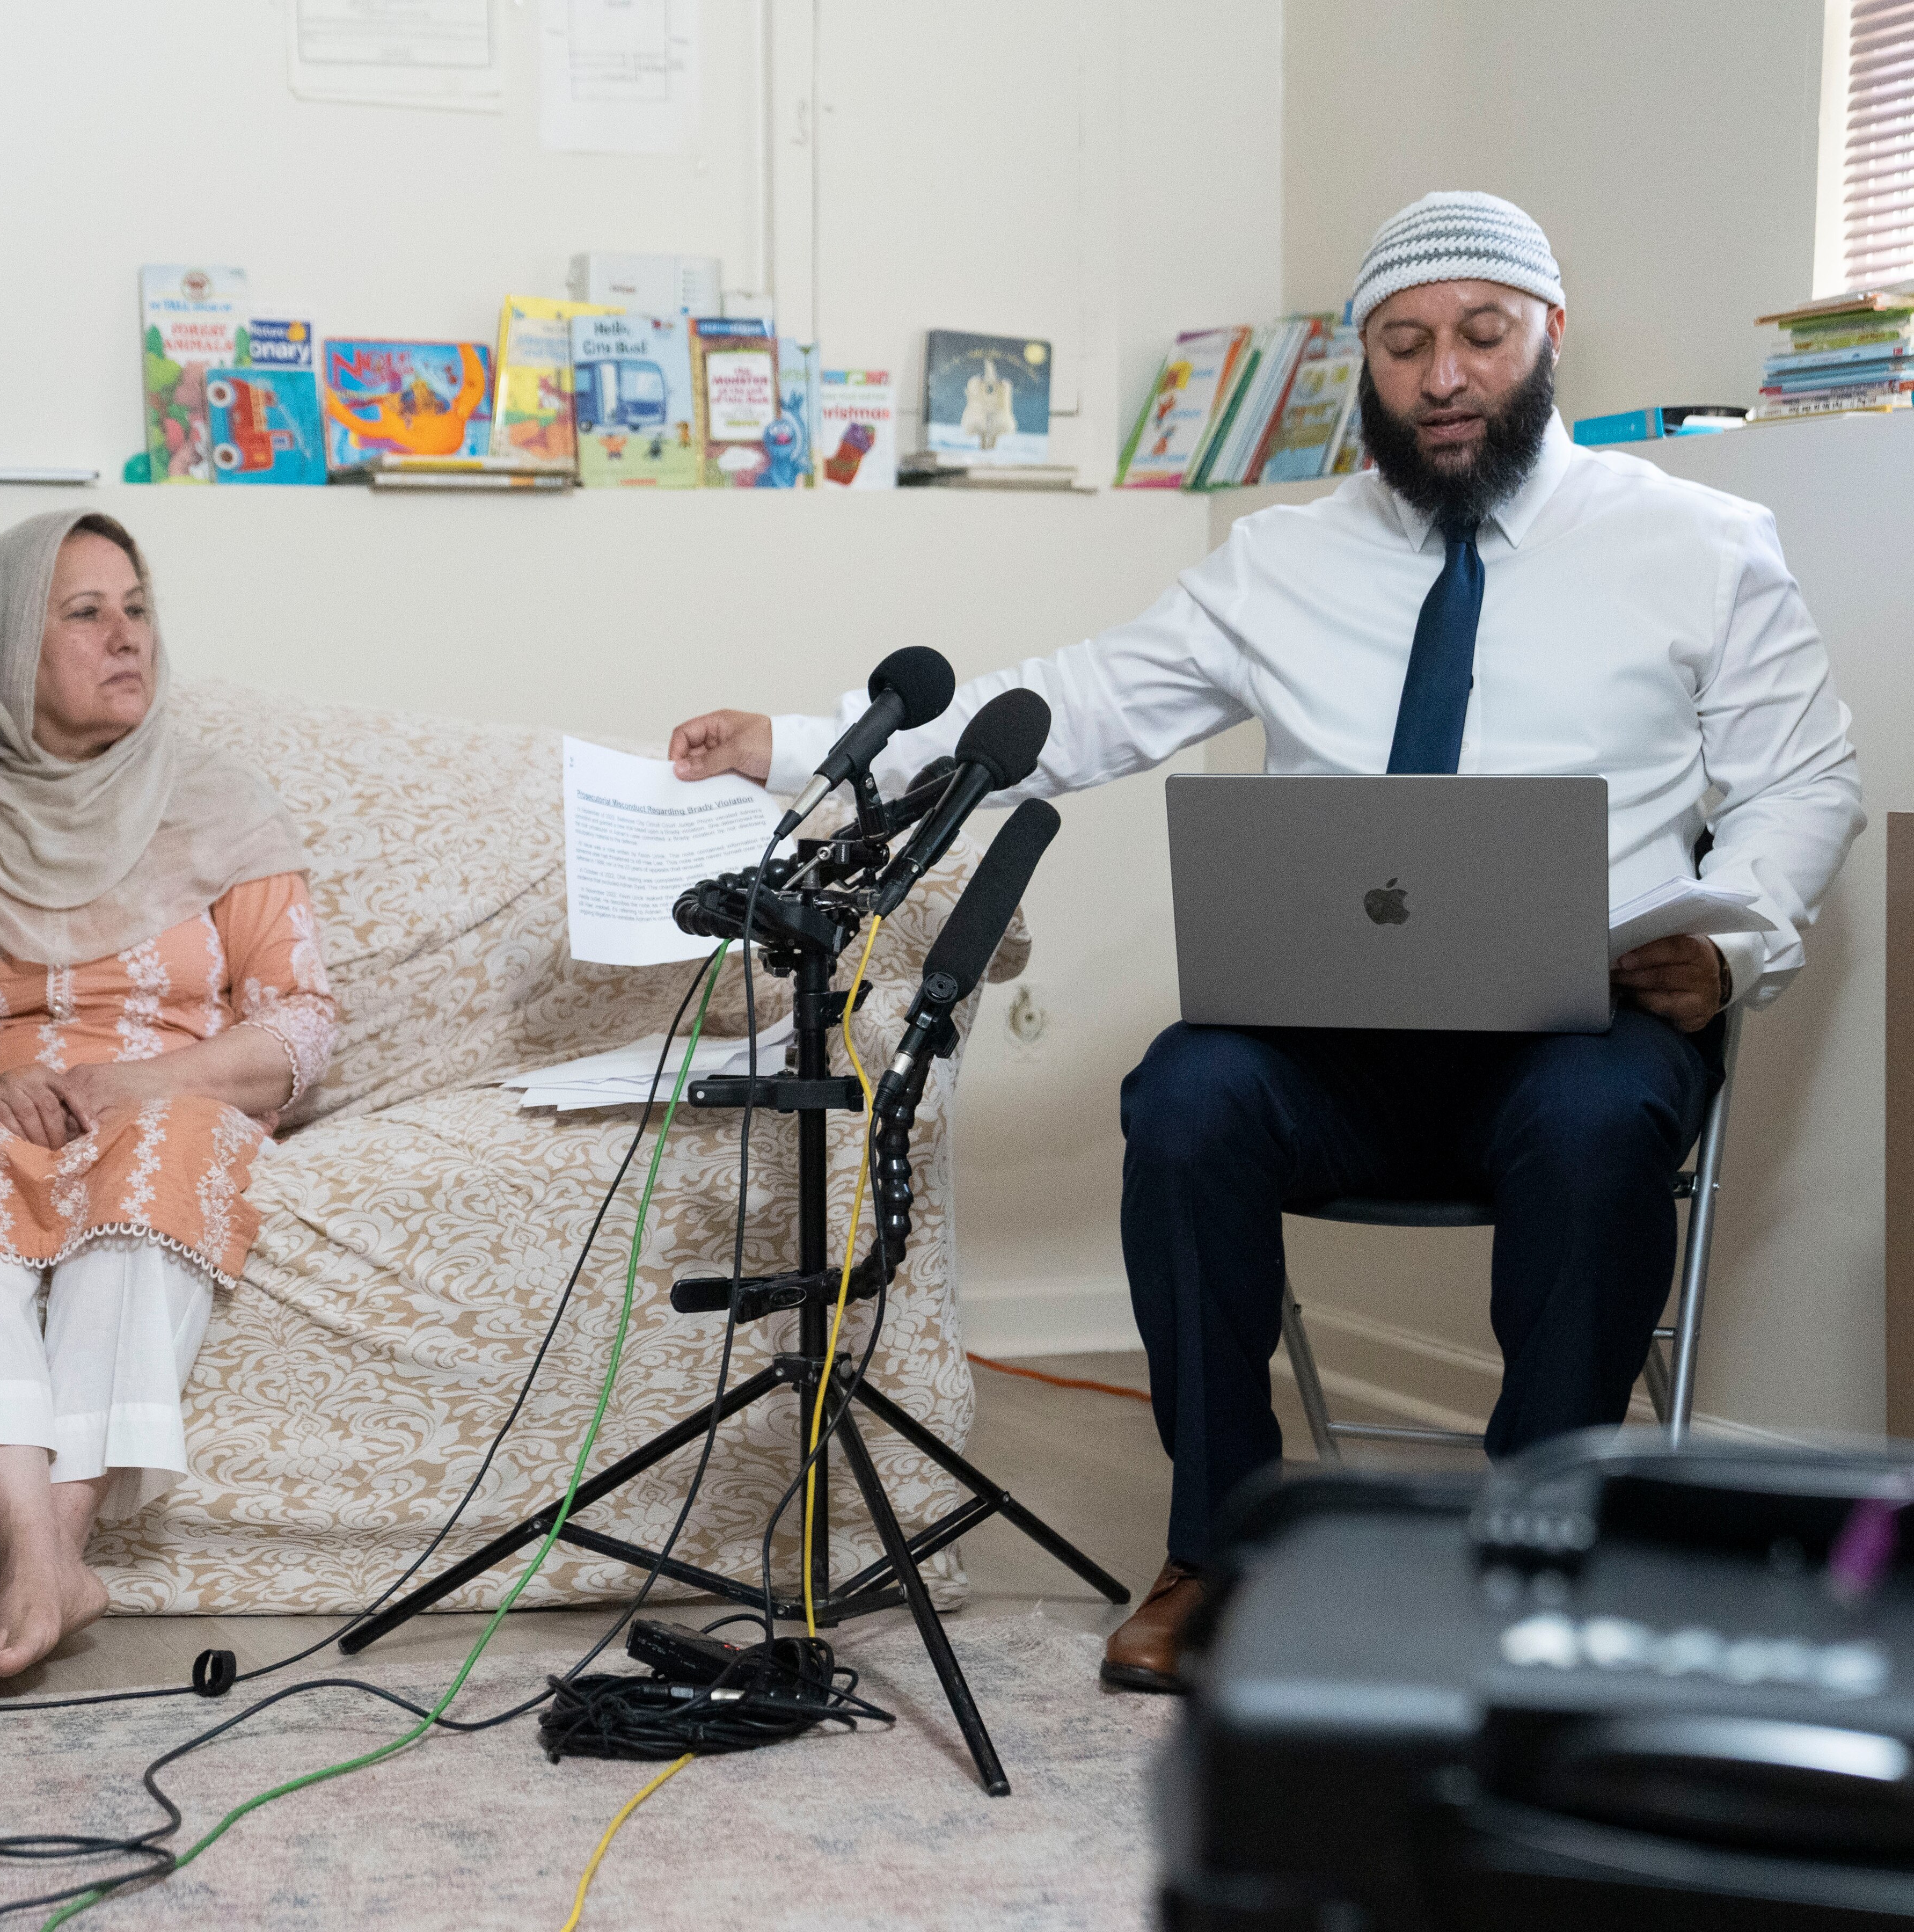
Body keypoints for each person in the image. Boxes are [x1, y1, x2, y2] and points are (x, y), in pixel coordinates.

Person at [666, 192, 1864, 1692]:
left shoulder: (1701, 542)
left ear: (1546, 339)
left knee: (1597, 1120)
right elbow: (1074, 710)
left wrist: (1734, 947)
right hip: (1338, 1039)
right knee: (1184, 1098)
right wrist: (794, 747)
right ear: (1365, 363)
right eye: (1406, 345)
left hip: (1582, 1026)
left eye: (1480, 339)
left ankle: (1538, 1551)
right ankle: (1221, 1549)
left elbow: (1804, 782)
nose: (1442, 377)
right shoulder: (1281, 559)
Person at [0, 509, 338, 1698]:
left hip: (175, 1091)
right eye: (85, 613)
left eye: (138, 608)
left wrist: (145, 1079)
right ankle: (45, 1557)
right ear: (4, 648)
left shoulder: (217, 800)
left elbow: (303, 1020)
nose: (128, 638)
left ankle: (38, 1559)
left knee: (162, 1154)